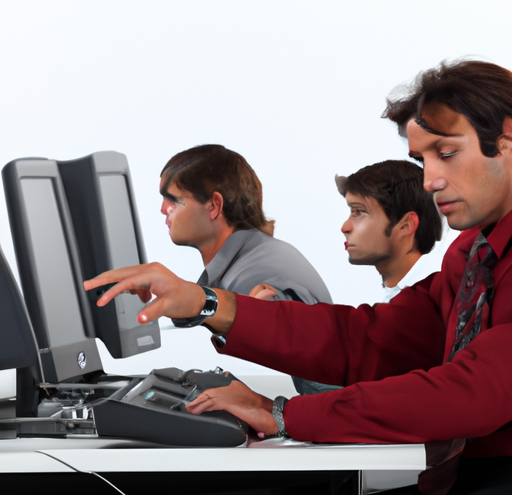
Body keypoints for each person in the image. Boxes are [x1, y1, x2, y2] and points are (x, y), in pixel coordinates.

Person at [84, 59, 512, 495]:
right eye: (422, 160)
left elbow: (473, 394)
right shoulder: (473, 253)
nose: (430, 180)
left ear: (507, 139)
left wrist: (285, 414)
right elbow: (369, 340)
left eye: (447, 153)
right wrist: (204, 303)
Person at [159, 144, 335, 392]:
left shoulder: (253, 277)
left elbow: (323, 382)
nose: (163, 209)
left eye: (174, 200)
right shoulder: (252, 256)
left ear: (213, 206)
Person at [337, 159, 443, 302]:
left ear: (406, 225)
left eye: (359, 212)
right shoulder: (402, 297)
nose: (345, 228)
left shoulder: (434, 300)